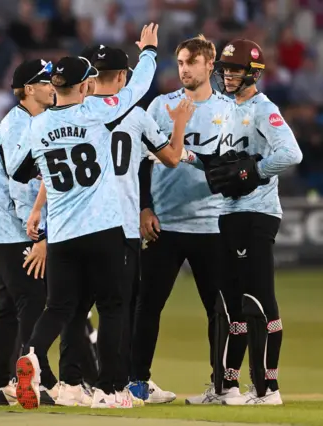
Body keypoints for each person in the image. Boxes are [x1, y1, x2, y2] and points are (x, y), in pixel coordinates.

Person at [7, 23, 159, 410]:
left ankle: (31, 355)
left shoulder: (37, 125)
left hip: (61, 235)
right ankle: (109, 391)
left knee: (59, 308)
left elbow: (20, 171)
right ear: (85, 85)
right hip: (104, 227)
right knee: (111, 307)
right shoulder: (97, 112)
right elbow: (136, 89)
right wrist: (149, 54)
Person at [36, 45, 190, 406]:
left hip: (68, 226)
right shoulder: (125, 115)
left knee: (72, 309)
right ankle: (114, 385)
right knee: (116, 308)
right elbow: (169, 158)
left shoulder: (54, 119)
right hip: (116, 226)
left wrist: (38, 214)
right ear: (122, 76)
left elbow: (45, 166)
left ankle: (71, 383)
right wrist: (179, 123)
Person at [188, 39, 302, 405]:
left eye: (235, 69)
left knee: (258, 300)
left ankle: (269, 389)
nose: (228, 74)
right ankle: (228, 387)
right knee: (233, 304)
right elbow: (225, 164)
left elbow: (291, 153)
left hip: (257, 213)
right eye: (225, 69)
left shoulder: (263, 108)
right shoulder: (229, 109)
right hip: (230, 214)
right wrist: (183, 154)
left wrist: (257, 173)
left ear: (253, 72)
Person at [129, 35, 235, 404]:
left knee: (218, 309)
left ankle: (222, 384)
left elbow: (233, 164)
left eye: (192, 62)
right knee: (147, 305)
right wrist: (144, 207)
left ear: (210, 65)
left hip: (213, 223)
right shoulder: (161, 106)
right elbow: (141, 162)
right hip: (165, 224)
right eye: (180, 63)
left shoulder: (231, 109)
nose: (185, 69)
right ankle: (137, 381)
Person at [0, 59, 56, 406]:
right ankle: (37, 380)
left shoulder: (27, 121)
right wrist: (37, 237)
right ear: (28, 89)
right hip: (15, 228)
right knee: (33, 302)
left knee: (8, 307)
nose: (53, 86)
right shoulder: (23, 128)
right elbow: (22, 184)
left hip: (1, 225)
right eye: (46, 81)